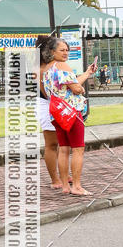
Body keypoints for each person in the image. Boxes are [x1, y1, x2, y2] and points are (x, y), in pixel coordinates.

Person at [41, 36, 95, 196]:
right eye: (61, 50)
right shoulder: (63, 66)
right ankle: (77, 186)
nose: (65, 53)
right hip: (72, 112)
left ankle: (65, 185)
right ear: (52, 51)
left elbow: (66, 85)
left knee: (63, 149)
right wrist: (81, 89)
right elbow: (76, 88)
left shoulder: (47, 69)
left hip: (57, 114)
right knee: (78, 149)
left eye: (66, 50)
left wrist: (86, 74)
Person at [35, 36, 62, 189]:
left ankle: (62, 173)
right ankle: (55, 179)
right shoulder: (41, 69)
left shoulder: (53, 66)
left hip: (54, 104)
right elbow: (47, 94)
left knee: (60, 143)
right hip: (47, 105)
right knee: (51, 144)